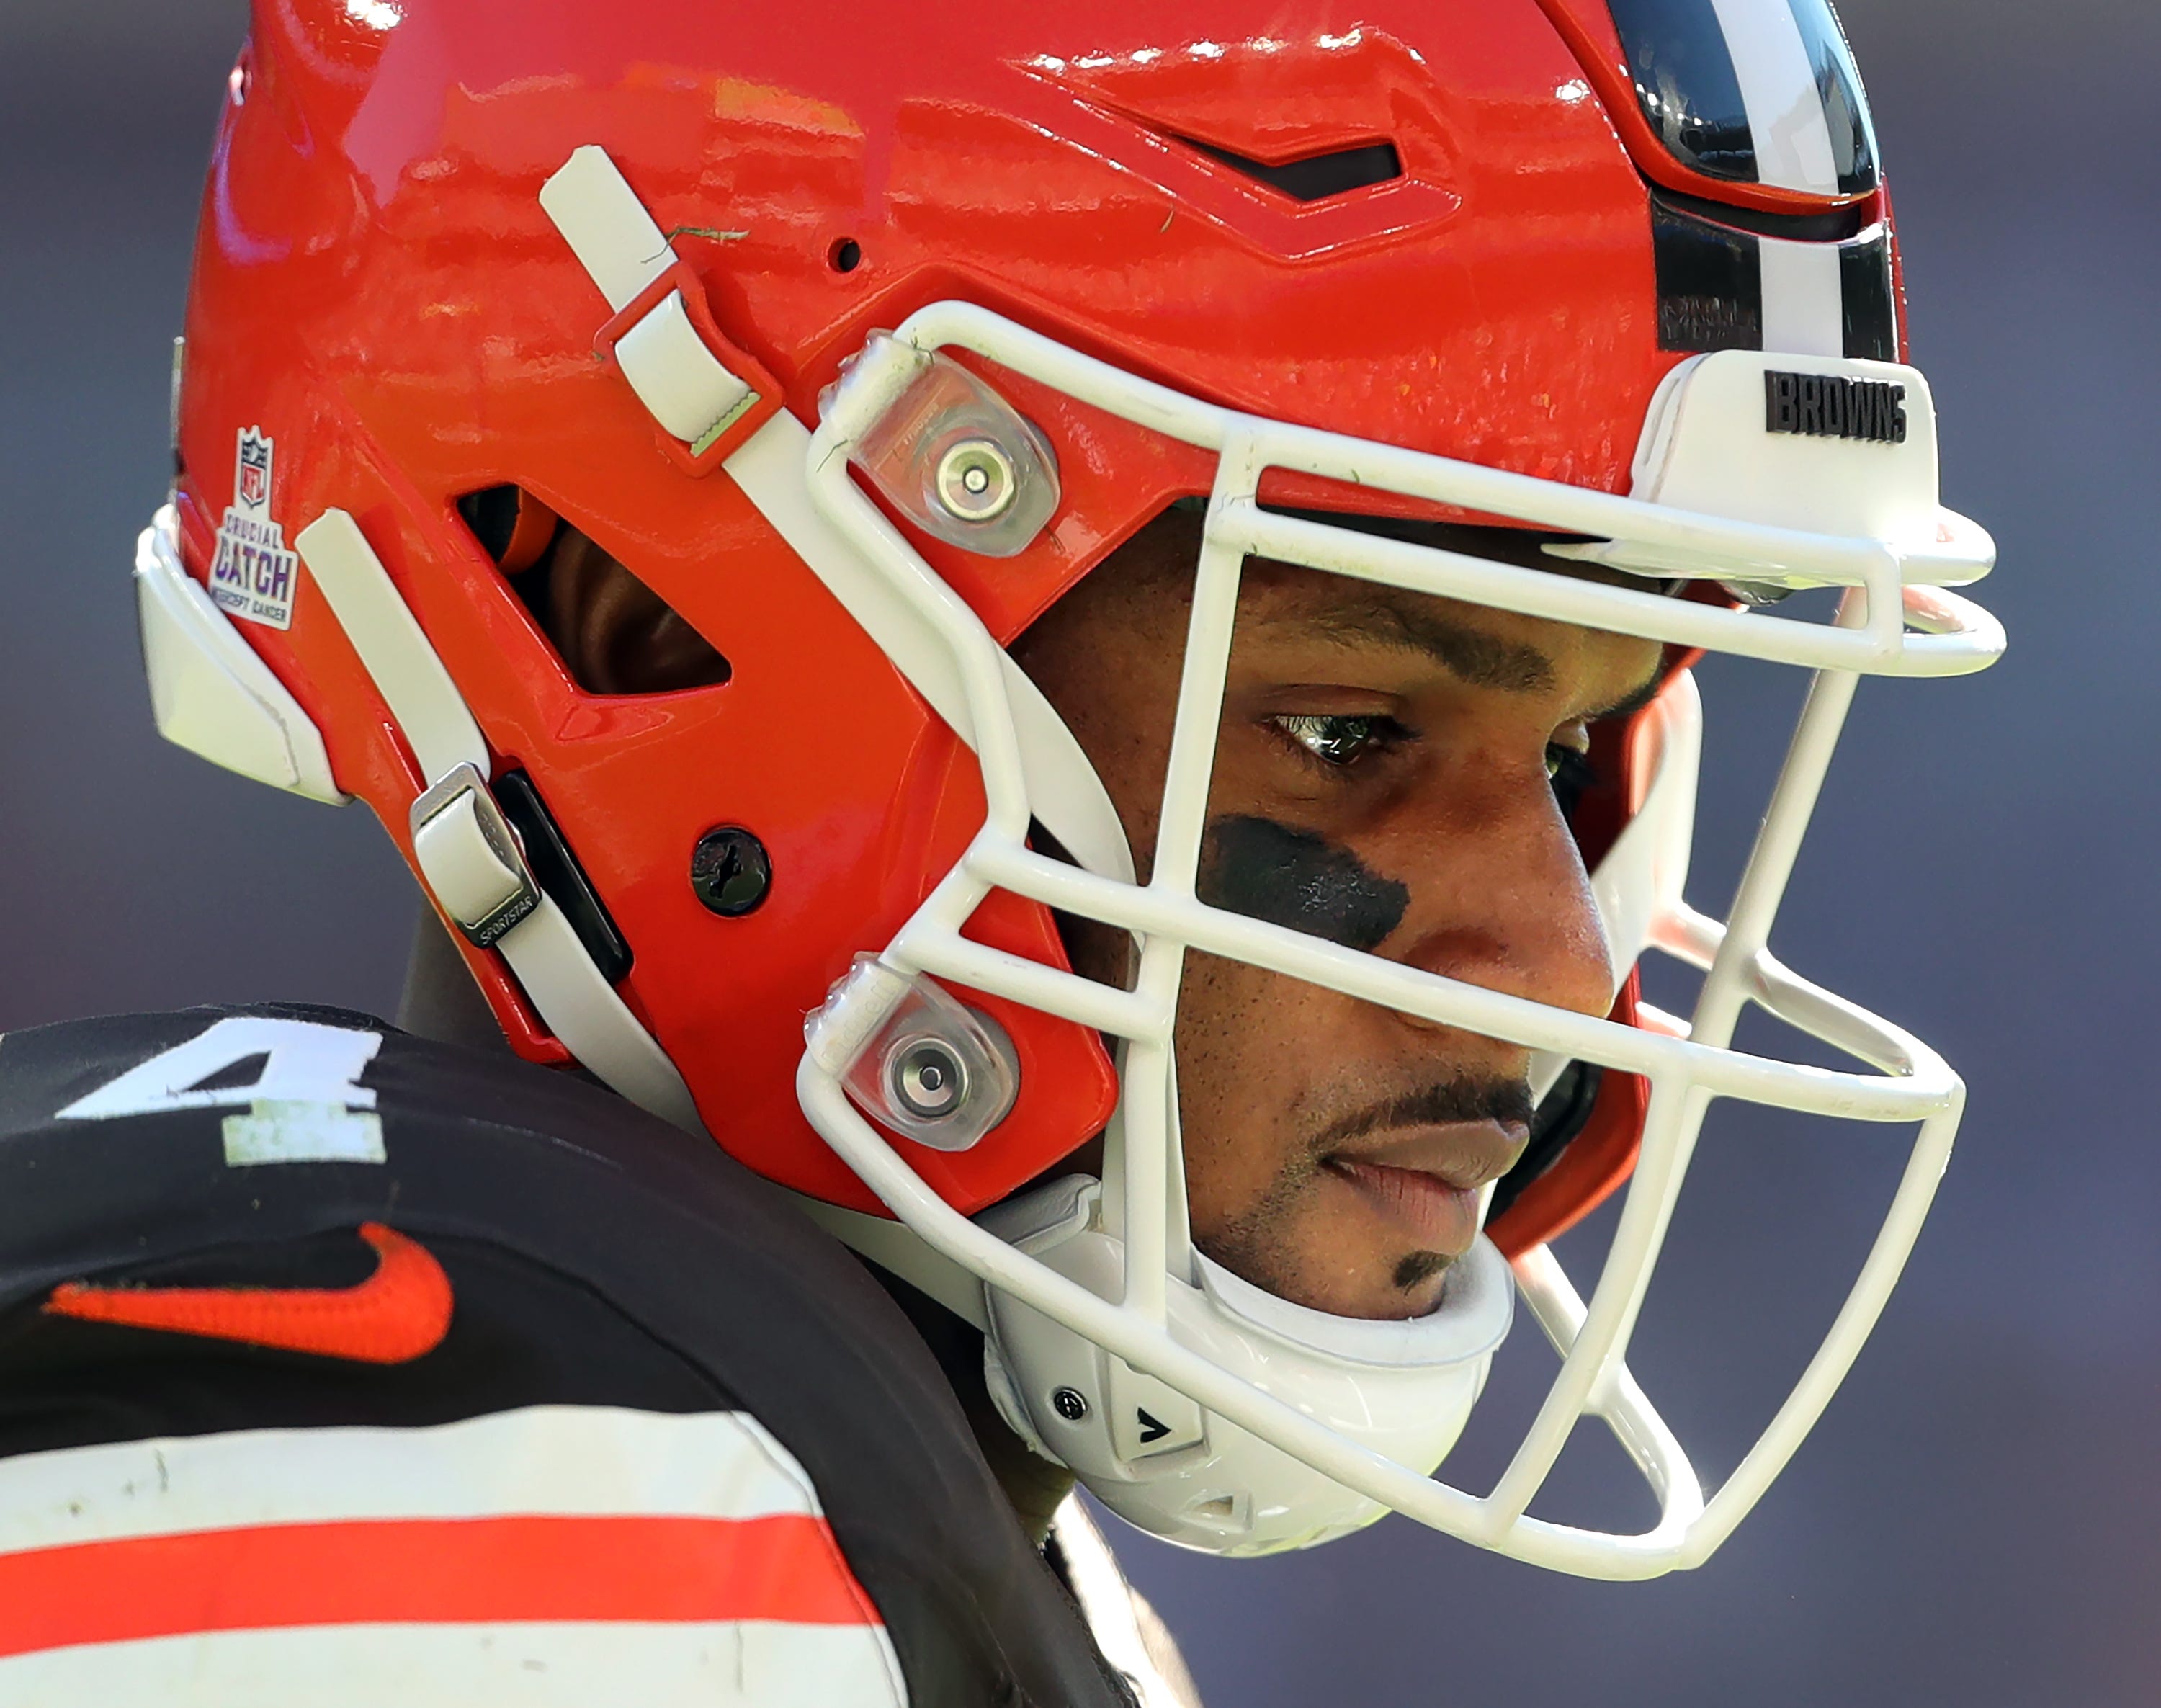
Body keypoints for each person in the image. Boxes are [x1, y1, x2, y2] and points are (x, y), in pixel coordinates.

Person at [0, 0, 2003, 1699]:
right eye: (1349, 728)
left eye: (1577, 741)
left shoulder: (879, 1523)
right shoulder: (505, 1504)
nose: (1565, 974)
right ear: (633, 615)